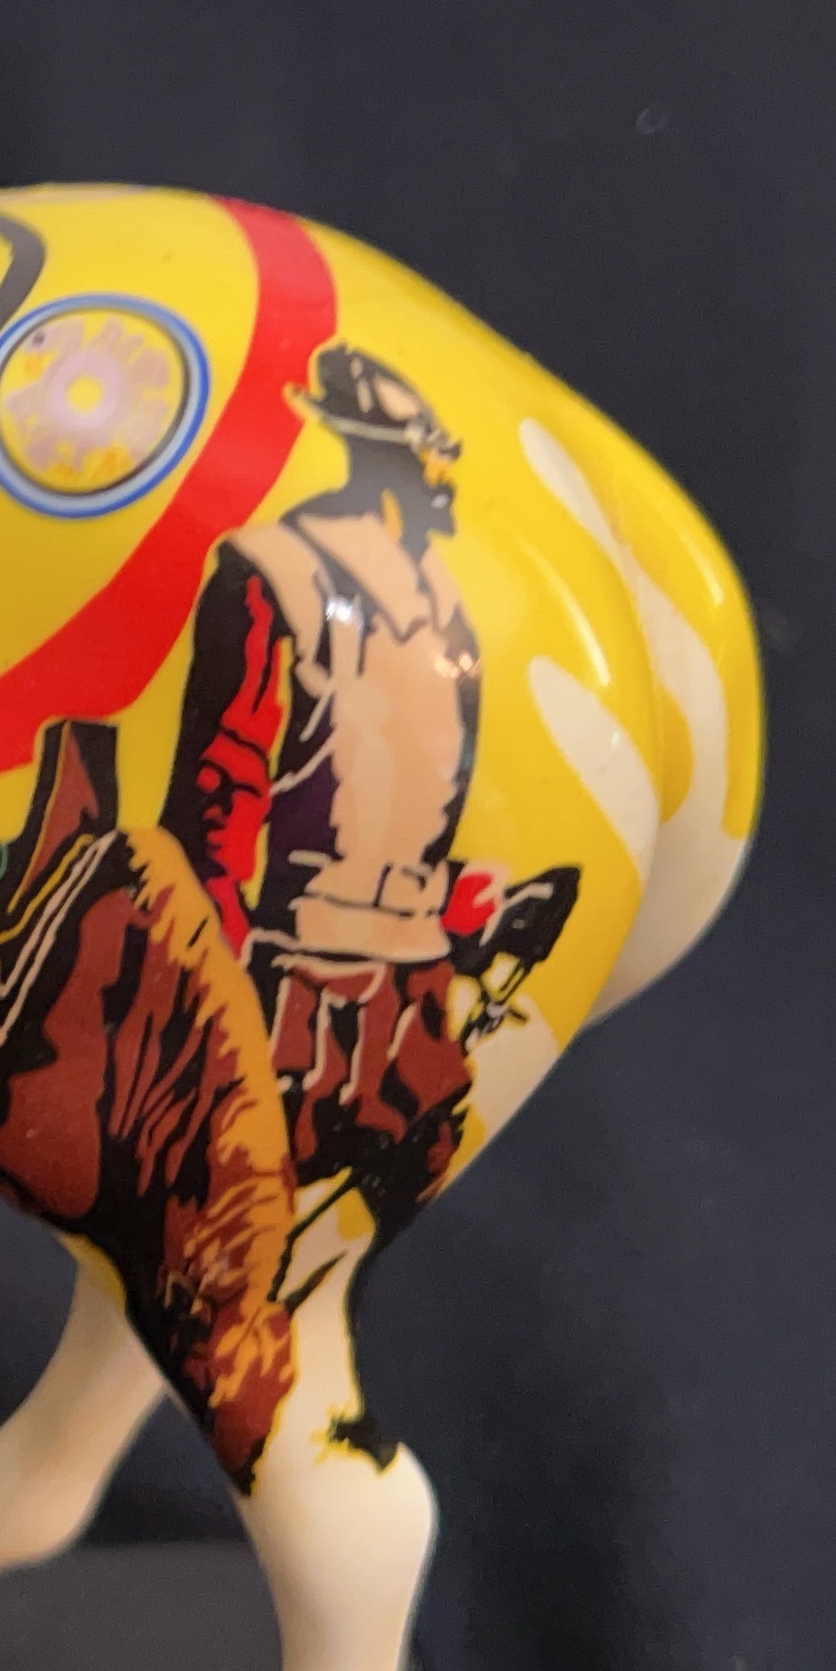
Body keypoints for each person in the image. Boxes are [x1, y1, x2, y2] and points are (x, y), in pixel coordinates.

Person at [166, 342, 572, 1243]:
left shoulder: (449, 609)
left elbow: (427, 808)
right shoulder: (276, 572)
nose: (449, 482)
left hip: (413, 985)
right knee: (228, 1222)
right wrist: (214, 987)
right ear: (387, 461)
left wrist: (484, 909)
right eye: (435, 459)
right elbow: (221, 791)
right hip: (289, 983)